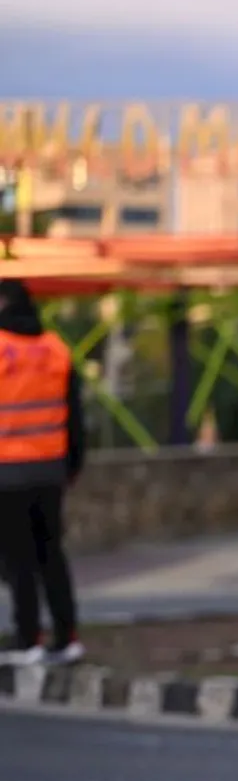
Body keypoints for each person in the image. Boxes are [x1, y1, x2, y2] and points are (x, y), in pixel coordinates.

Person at [0, 278, 86, 665]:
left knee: (18, 559)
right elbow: (76, 416)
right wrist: (71, 466)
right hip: (51, 470)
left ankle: (28, 639)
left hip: (8, 471)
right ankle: (67, 637)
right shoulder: (56, 350)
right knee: (51, 554)